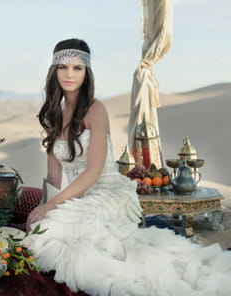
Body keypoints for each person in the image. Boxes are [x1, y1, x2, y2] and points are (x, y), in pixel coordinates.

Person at [23, 39, 230, 295]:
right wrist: (43, 208)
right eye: (63, 67)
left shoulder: (96, 109)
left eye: (78, 68)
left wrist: (52, 206)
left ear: (87, 73)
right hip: (79, 196)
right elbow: (54, 175)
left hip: (107, 193)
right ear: (53, 71)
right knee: (42, 229)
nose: (69, 74)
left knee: (62, 239)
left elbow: (94, 171)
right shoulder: (53, 113)